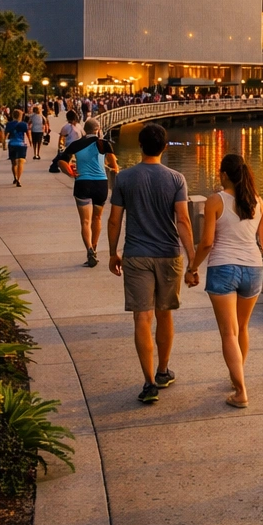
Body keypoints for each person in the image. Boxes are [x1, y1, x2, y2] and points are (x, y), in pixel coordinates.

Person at [106, 123, 194, 404]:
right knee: (164, 313)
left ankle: (148, 383)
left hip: (136, 255)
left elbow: (114, 219)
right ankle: (163, 371)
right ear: (164, 147)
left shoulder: (124, 179)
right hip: (169, 254)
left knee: (141, 318)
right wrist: (192, 260)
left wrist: (112, 252)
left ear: (140, 146)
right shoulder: (176, 179)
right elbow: (183, 220)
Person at [190, 154, 263, 408]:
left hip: (223, 268)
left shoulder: (215, 201)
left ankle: (241, 391)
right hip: (253, 269)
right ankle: (236, 376)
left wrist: (192, 267)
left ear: (224, 175)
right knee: (242, 328)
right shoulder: (258, 202)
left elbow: (207, 243)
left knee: (228, 332)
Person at [58, 118, 119, 267]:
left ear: (85, 130)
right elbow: (114, 166)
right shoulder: (104, 144)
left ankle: (89, 250)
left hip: (82, 183)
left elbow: (61, 162)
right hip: (101, 184)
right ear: (98, 130)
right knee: (97, 218)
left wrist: (71, 173)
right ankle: (95, 248)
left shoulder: (76, 145)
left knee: (85, 221)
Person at [4, 108, 30, 186]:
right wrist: (30, 142)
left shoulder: (9, 124)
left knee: (14, 163)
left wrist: (4, 143)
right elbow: (27, 134)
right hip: (21, 144)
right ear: (21, 116)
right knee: (21, 162)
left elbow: (6, 134)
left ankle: (15, 177)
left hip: (12, 144)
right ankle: (19, 179)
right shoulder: (24, 124)